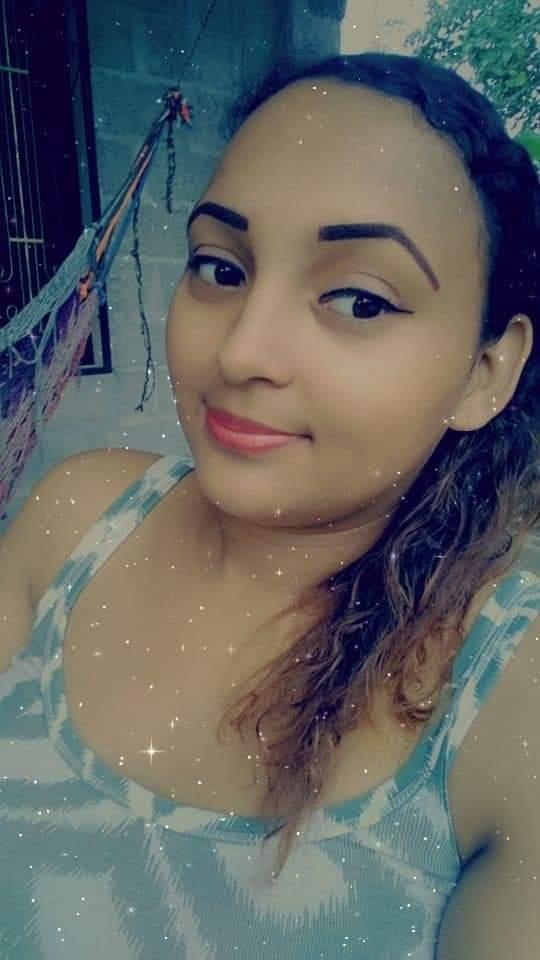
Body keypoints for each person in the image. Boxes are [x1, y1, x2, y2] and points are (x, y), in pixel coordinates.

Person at [0, 50, 538, 960]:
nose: (243, 349)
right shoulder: (75, 520)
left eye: (359, 300)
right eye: (221, 268)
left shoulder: (511, 703)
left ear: (486, 370)